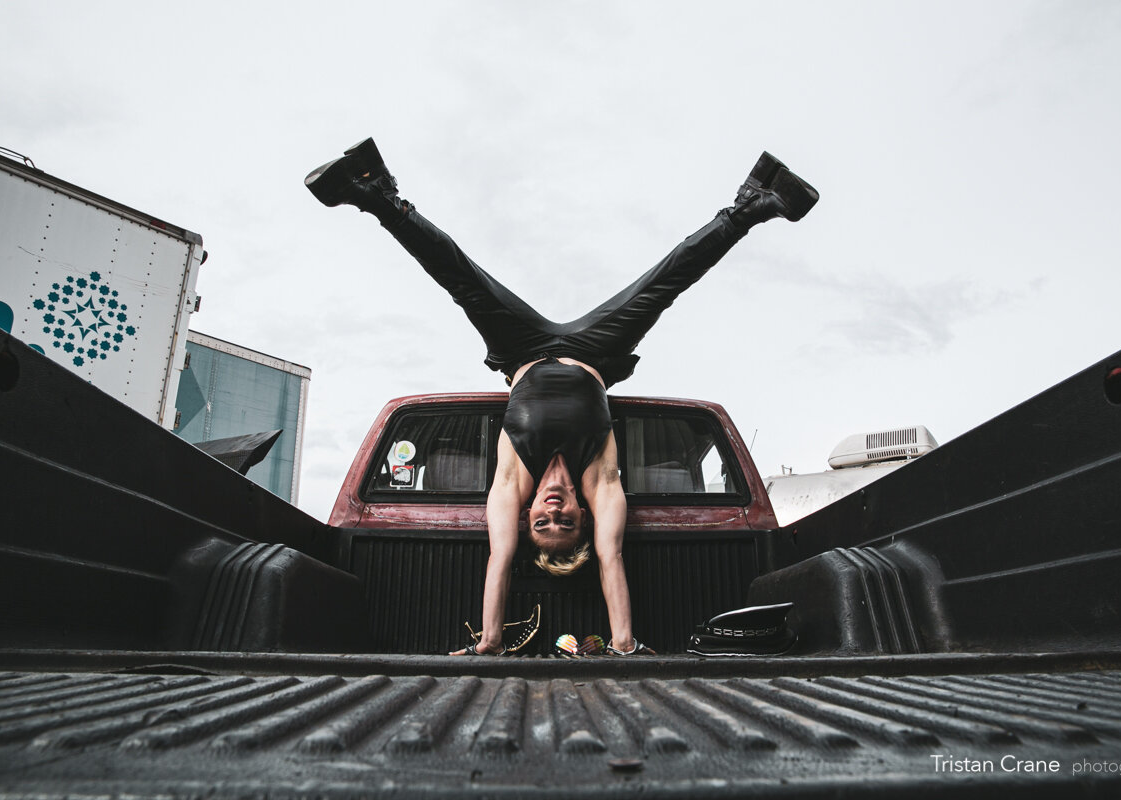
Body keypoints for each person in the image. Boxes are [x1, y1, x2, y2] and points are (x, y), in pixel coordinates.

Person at [305, 139, 818, 655]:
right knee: (665, 282)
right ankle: (755, 202)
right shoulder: (599, 476)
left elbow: (500, 560)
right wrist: (622, 643)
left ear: (527, 516)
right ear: (582, 514)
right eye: (566, 522)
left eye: (543, 522)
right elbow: (611, 557)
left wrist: (488, 642)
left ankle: (373, 192)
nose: (554, 512)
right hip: (596, 351)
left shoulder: (512, 479)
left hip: (520, 349)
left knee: (458, 275)